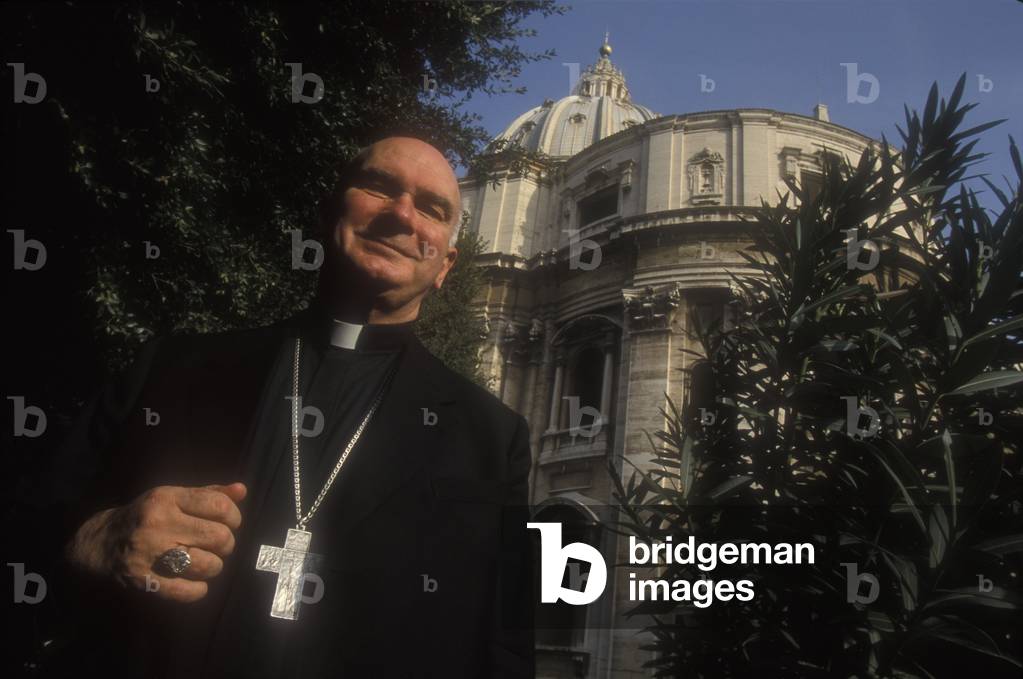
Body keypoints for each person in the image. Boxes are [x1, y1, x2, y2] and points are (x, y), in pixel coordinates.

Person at [47, 136, 535, 678]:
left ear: (445, 265)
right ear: (329, 213)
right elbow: (28, 520)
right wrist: (95, 540)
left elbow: (505, 649)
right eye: (379, 187)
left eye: (432, 209)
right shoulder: (169, 368)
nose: (402, 215)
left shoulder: (494, 441)